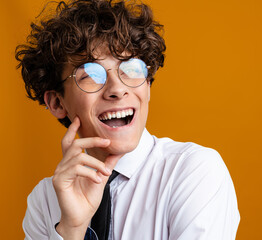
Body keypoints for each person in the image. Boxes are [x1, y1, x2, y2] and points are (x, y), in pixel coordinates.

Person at [16, 0, 240, 239]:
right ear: (57, 103)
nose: (117, 88)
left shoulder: (194, 172)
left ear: (148, 85)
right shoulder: (44, 202)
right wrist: (72, 229)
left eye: (131, 68)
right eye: (91, 74)